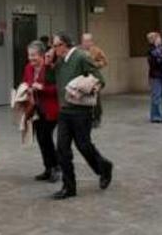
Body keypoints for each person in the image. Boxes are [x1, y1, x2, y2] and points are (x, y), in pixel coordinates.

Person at [51, 32, 113, 199]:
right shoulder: (59, 62)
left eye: (56, 45)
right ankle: (69, 187)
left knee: (83, 146)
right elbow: (51, 80)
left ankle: (104, 168)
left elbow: (99, 80)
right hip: (64, 111)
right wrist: (48, 63)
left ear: (64, 45)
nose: (54, 48)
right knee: (62, 149)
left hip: (80, 112)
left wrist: (83, 88)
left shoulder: (81, 57)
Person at [22, 40, 60, 183]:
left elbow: (58, 89)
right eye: (29, 55)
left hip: (50, 109)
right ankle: (48, 168)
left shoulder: (50, 68)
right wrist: (26, 89)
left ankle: (56, 167)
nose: (31, 58)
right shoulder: (28, 68)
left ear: (42, 55)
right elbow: (25, 82)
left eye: (34, 55)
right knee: (41, 139)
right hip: (35, 109)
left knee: (46, 137)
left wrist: (42, 88)